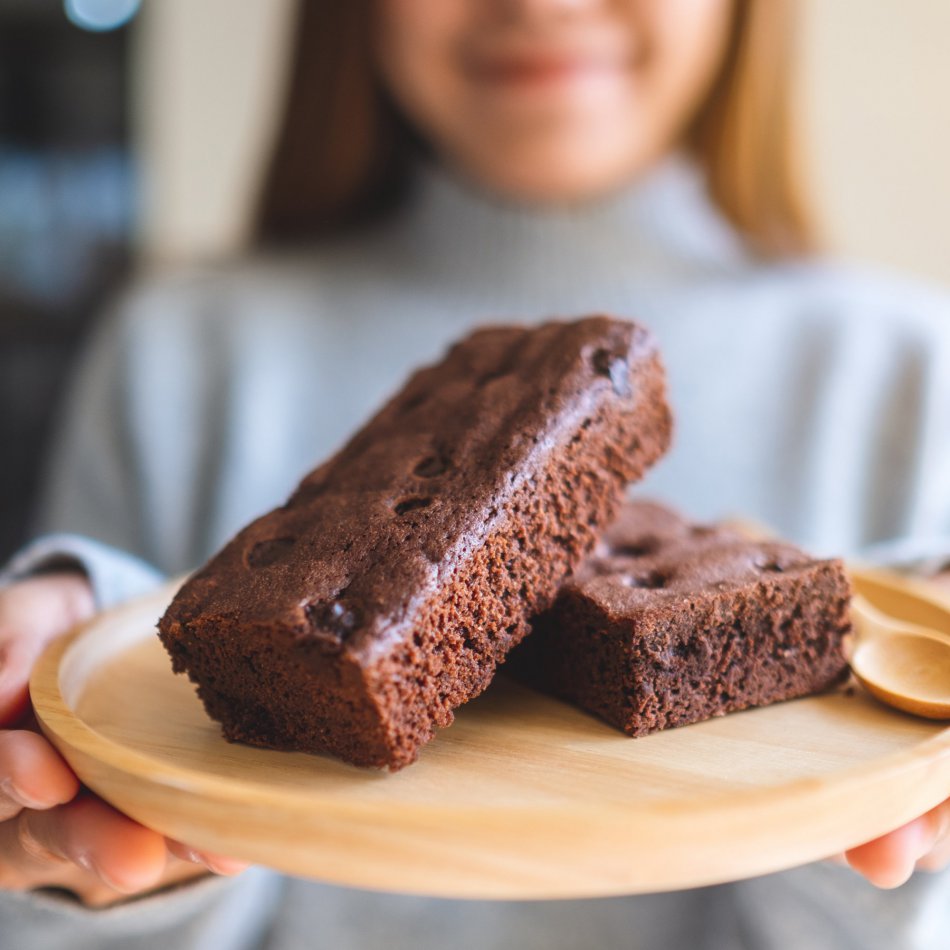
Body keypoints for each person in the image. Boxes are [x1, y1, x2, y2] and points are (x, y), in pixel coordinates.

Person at [2, 0, 949, 946]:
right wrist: (101, 852)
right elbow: (113, 813)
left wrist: (891, 848)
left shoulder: (908, 366)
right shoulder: (176, 348)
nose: (541, 6)